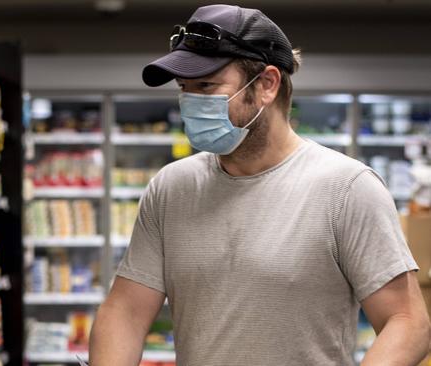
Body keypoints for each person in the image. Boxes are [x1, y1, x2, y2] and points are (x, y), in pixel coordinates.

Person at [89, 4, 431, 365]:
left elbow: (407, 322)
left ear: (267, 84)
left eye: (206, 85)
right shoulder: (172, 188)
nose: (189, 103)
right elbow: (125, 313)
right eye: (184, 88)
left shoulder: (346, 188)